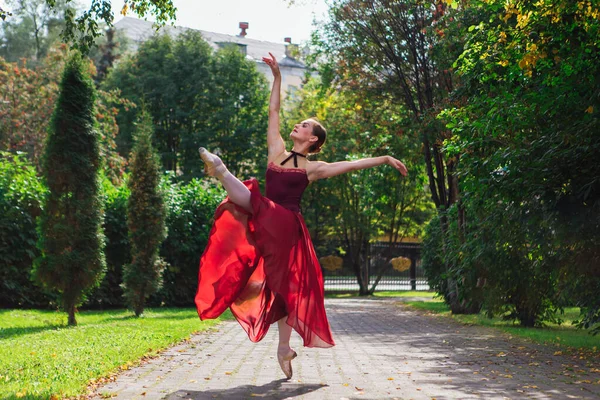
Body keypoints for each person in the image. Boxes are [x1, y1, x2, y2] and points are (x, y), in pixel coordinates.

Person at [195, 53, 408, 379]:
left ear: (312, 140)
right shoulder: (276, 150)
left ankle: (221, 169)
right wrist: (277, 75)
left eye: (305, 125)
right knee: (281, 286)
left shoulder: (312, 168)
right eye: (301, 122)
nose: (299, 124)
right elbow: (274, 111)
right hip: (270, 222)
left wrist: (384, 158)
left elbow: (350, 165)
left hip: (287, 226)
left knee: (255, 199)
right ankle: (284, 348)